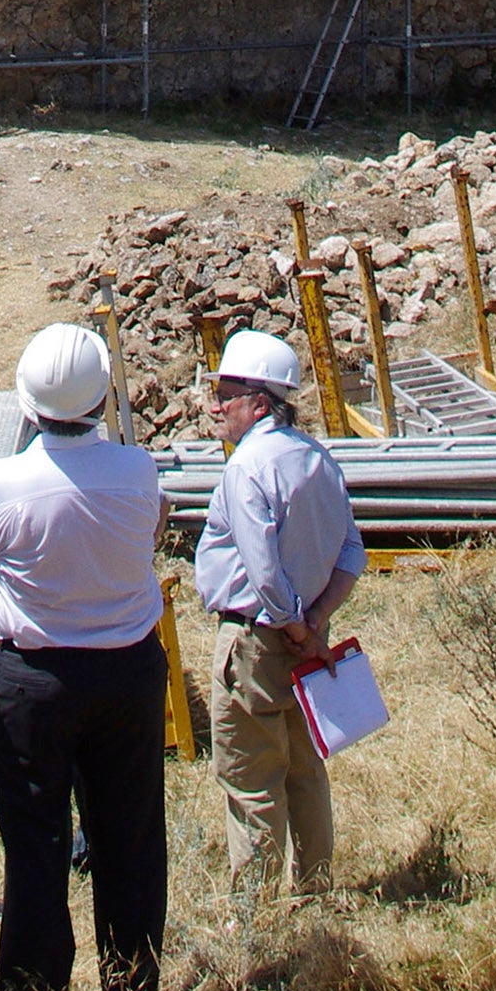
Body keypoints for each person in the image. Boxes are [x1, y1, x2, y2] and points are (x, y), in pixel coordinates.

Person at [0, 323, 168, 991]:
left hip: (35, 684)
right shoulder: (137, 470)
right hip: (125, 673)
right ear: (102, 394)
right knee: (130, 839)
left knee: (35, 847)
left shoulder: (4, 483)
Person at [193, 328, 365, 901]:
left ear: (260, 402)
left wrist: (294, 623)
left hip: (256, 642)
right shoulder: (318, 458)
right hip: (305, 639)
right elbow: (351, 554)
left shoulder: (247, 467)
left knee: (252, 780)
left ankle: (256, 919)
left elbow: (263, 572)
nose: (216, 405)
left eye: (228, 393)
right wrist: (316, 623)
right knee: (306, 773)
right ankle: (315, 891)